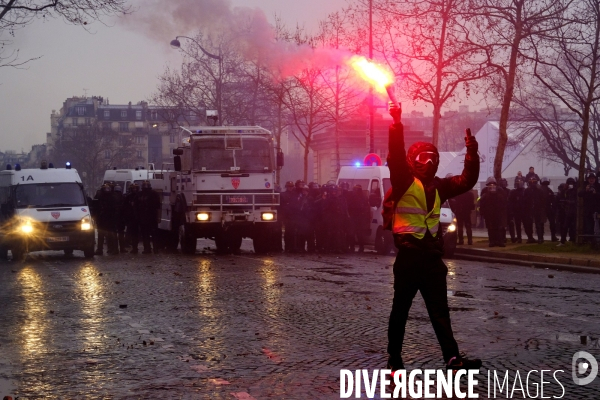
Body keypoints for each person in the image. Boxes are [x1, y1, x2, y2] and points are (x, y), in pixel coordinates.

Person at [384, 103, 481, 373]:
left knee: (440, 313)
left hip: (432, 259)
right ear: (412, 161)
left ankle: (452, 359)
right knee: (400, 312)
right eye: (423, 158)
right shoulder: (403, 181)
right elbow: (394, 155)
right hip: (409, 257)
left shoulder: (440, 185)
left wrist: (471, 153)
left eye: (432, 158)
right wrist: (397, 122)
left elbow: (467, 180)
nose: (428, 163)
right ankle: (394, 359)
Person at [135, 180, 161, 254]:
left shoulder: (153, 194)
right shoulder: (139, 194)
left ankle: (155, 248)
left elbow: (158, 206)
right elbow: (136, 206)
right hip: (143, 217)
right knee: (145, 234)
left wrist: (158, 217)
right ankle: (147, 248)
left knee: (153, 234)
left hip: (151, 217)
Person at [480, 177, 507, 247]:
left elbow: (504, 200)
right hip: (489, 213)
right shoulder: (484, 191)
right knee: (490, 228)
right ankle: (492, 241)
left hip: (498, 213)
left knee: (499, 227)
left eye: (493, 184)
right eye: (490, 184)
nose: (492, 186)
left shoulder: (499, 190)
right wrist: (482, 212)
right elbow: (481, 202)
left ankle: (500, 241)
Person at [347, 185, 371, 252]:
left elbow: (366, 207)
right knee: (354, 234)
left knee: (358, 234)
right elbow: (348, 206)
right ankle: (354, 247)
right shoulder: (353, 197)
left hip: (358, 218)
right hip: (354, 218)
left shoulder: (362, 197)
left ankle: (358, 247)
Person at [523, 177, 546, 243]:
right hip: (530, 209)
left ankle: (539, 238)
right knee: (530, 224)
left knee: (538, 224)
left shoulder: (539, 190)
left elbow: (542, 200)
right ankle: (532, 238)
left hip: (536, 209)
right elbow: (525, 200)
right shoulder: (527, 190)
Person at [578, 173, 600, 237]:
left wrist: (595, 193)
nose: (591, 180)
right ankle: (590, 241)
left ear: (595, 179)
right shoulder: (585, 186)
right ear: (588, 180)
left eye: (593, 179)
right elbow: (579, 194)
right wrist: (586, 190)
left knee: (596, 226)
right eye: (590, 179)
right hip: (588, 210)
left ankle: (597, 240)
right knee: (588, 226)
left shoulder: (598, 186)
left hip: (597, 209)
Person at [558, 177, 577, 245]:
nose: (570, 184)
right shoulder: (567, 191)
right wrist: (564, 189)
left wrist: (570, 202)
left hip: (574, 211)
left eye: (571, 183)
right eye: (569, 183)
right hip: (568, 211)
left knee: (573, 227)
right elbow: (561, 197)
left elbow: (577, 201)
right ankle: (563, 241)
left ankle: (573, 239)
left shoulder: (575, 190)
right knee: (565, 226)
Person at [540, 177, 559, 242]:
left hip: (542, 208)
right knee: (551, 222)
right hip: (547, 208)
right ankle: (552, 236)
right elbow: (553, 199)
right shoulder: (548, 190)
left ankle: (541, 237)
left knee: (541, 223)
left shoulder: (540, 189)